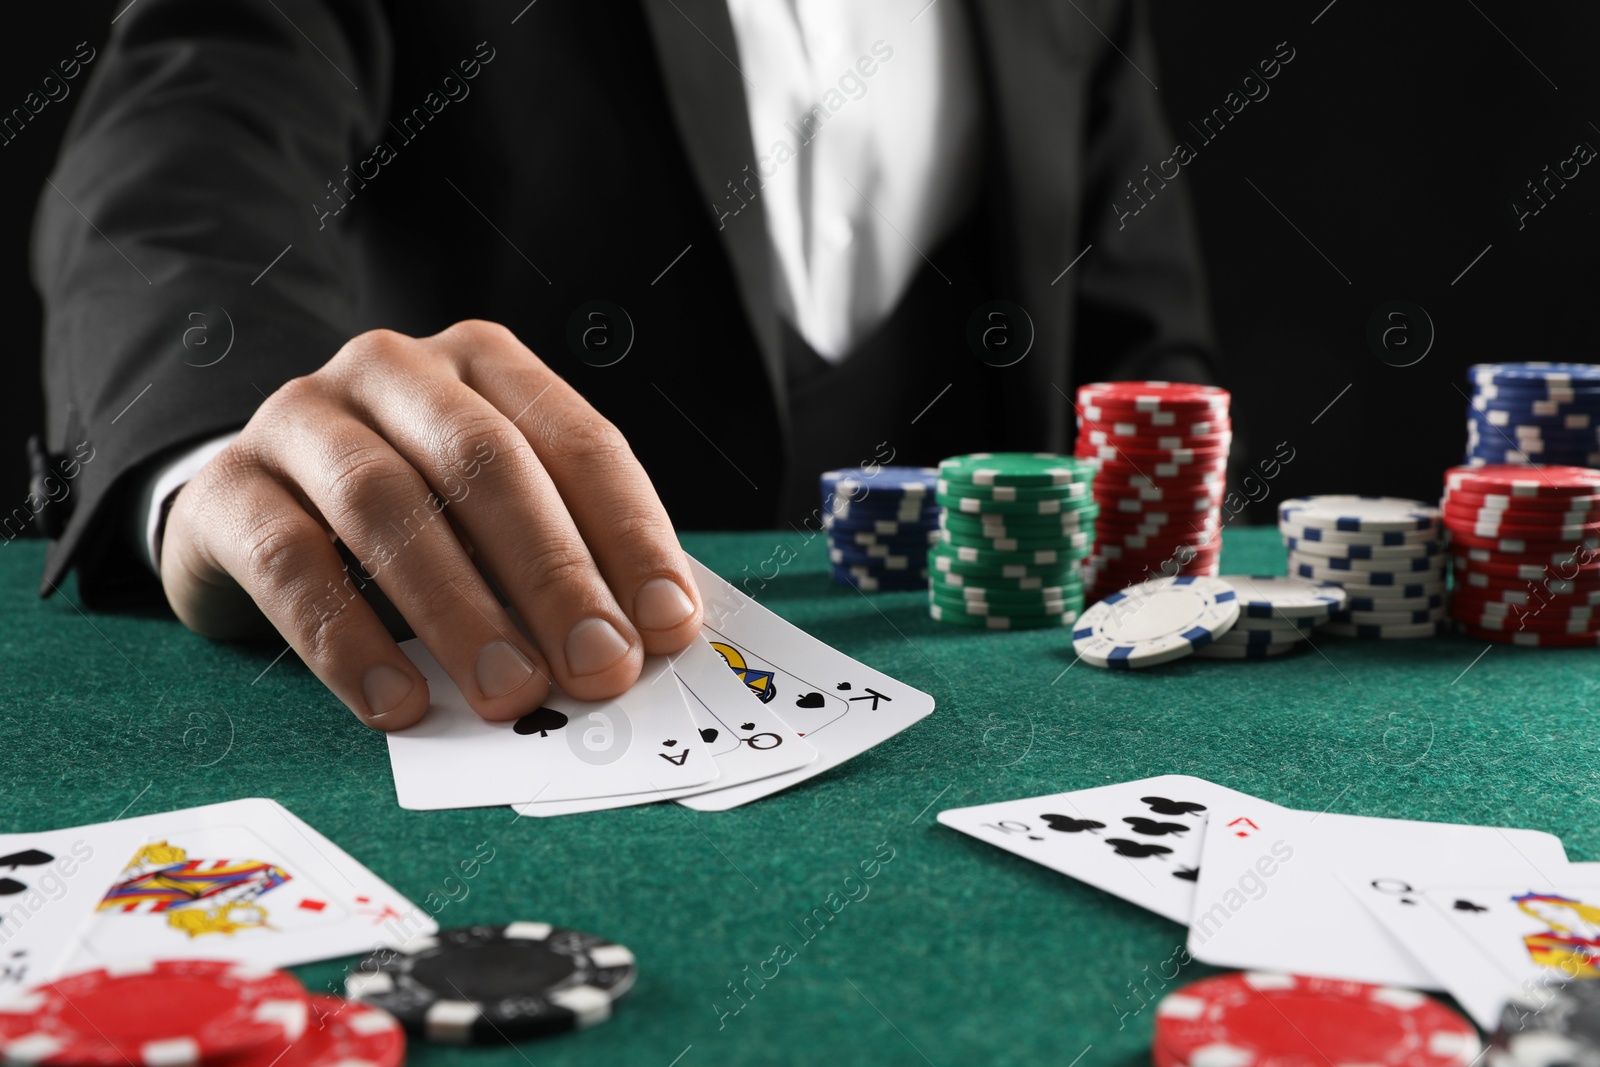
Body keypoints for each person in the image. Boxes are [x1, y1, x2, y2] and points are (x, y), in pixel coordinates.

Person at [30, 0, 1217, 730]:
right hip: (506, 680)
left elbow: (1143, 345)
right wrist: (232, 459)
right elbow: (178, 181)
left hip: (986, 711)